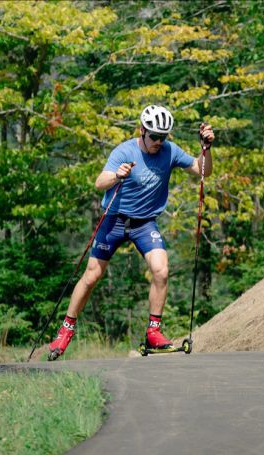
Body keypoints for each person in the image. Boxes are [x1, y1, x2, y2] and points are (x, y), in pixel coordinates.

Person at [48, 105, 214, 360]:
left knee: (161, 270)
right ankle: (65, 330)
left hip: (144, 223)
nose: (159, 142)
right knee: (92, 276)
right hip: (114, 220)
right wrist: (116, 175)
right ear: (142, 131)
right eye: (154, 137)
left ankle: (153, 332)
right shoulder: (124, 151)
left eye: (164, 137)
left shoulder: (169, 151)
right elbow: (99, 182)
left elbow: (202, 170)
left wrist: (206, 149)